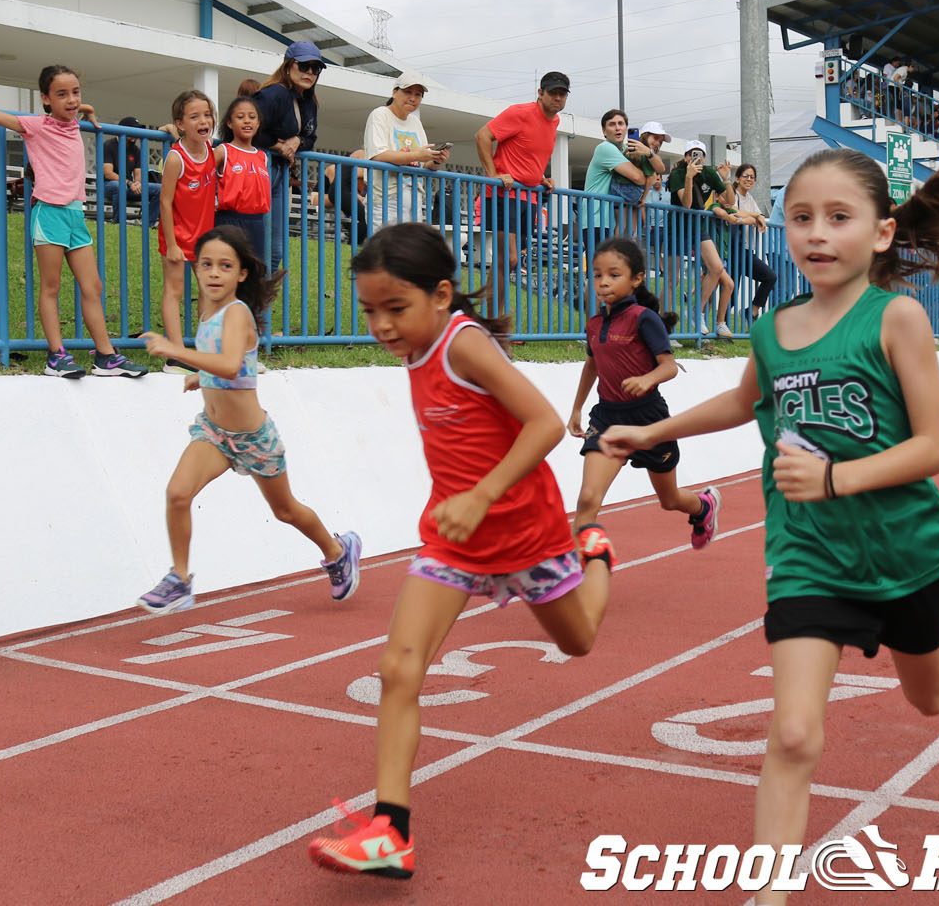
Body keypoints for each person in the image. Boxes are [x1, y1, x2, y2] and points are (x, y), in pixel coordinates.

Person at [599, 151, 939, 906]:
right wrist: (651, 433)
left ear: (881, 234)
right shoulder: (774, 330)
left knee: (930, 699)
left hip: (903, 550)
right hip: (807, 553)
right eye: (801, 218)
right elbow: (744, 403)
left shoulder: (895, 317)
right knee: (797, 734)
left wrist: (837, 476)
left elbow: (934, 445)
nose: (816, 233)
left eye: (839, 218)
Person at [308, 223, 616, 880]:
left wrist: (483, 494)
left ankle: (596, 555)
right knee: (399, 667)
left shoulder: (463, 345)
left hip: (524, 531)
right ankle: (391, 829)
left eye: (395, 308)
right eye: (370, 311)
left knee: (580, 641)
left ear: (442, 294)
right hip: (452, 537)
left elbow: (543, 423)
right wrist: (465, 505)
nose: (382, 326)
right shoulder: (414, 349)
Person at [136, 226, 361, 614]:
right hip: (214, 432)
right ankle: (180, 580)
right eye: (206, 264)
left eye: (225, 266)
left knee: (286, 510)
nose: (214, 273)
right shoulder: (208, 312)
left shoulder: (237, 313)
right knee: (177, 493)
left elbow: (229, 364)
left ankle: (338, 550)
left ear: (241, 274)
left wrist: (177, 351)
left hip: (254, 438)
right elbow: (229, 366)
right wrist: (198, 377)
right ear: (196, 270)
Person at [0, 66, 146, 378]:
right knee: (52, 286)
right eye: (61, 94)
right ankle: (56, 356)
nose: (71, 100)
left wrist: (87, 109)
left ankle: (106, 356)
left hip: (74, 215)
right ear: (45, 98)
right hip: (49, 213)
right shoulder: (36, 126)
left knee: (92, 285)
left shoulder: (73, 123)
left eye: (75, 93)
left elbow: (76, 108)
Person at [566, 236, 718, 545]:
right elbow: (592, 366)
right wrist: (577, 408)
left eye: (613, 274)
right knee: (587, 500)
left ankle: (703, 507)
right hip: (607, 418)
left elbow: (669, 366)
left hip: (648, 418)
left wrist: (648, 379)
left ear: (636, 279)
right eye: (597, 274)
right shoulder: (595, 323)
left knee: (670, 499)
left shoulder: (643, 319)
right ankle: (575, 578)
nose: (603, 282)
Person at [473, 71, 570, 314]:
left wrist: (541, 178)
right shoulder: (520, 112)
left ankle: (490, 320)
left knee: (511, 262)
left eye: (562, 94)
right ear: (540, 93)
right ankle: (493, 322)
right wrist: (493, 174)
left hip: (528, 196)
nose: (557, 98)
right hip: (504, 195)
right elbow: (482, 135)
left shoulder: (555, 122)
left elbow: (527, 155)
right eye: (553, 93)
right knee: (510, 259)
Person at [158, 89, 218, 374]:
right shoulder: (175, 158)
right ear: (181, 123)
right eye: (194, 117)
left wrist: (172, 127)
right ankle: (174, 354)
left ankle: (203, 350)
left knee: (208, 289)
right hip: (178, 236)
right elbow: (165, 203)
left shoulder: (211, 149)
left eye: (207, 115)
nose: (203, 121)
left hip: (204, 237)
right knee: (174, 291)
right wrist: (171, 244)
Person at [252, 41, 324, 274]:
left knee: (275, 252)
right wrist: (277, 145)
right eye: (304, 66)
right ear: (288, 65)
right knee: (258, 249)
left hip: (280, 173)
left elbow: (310, 137)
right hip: (259, 171)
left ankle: (259, 309)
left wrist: (297, 142)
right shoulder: (274, 94)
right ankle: (245, 307)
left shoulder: (310, 101)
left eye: (316, 69)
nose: (310, 73)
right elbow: (249, 130)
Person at [668, 140, 737, 338]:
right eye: (691, 154)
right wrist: (689, 177)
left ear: (705, 158)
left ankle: (696, 312)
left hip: (698, 228)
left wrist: (726, 179)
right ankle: (664, 326)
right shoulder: (679, 174)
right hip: (677, 228)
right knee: (673, 280)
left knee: (716, 268)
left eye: (699, 155)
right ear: (685, 156)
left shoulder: (709, 173)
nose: (695, 158)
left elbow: (730, 201)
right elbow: (687, 204)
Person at [364, 73, 449, 232]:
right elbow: (379, 155)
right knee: (386, 251)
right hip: (385, 197)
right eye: (408, 92)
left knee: (409, 252)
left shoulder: (415, 122)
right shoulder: (380, 114)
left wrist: (436, 159)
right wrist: (417, 156)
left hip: (414, 198)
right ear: (394, 92)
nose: (413, 98)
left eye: (418, 95)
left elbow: (425, 164)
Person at [213, 94, 270, 260]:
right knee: (228, 268)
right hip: (229, 221)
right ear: (230, 123)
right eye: (240, 117)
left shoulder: (263, 156)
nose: (247, 121)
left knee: (254, 272)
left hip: (257, 223)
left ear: (258, 123)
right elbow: (202, 176)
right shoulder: (224, 151)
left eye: (252, 117)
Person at [581, 109, 651, 240]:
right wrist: (648, 175)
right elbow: (639, 178)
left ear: (626, 128)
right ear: (604, 131)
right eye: (612, 124)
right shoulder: (605, 147)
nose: (617, 128)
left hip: (613, 222)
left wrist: (649, 154)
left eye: (621, 123)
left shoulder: (627, 150)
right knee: (600, 261)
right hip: (598, 219)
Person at [730, 164, 778, 320]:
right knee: (731, 291)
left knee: (769, 277)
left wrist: (759, 217)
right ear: (737, 178)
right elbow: (734, 212)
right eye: (745, 176)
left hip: (746, 250)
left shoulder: (749, 198)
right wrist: (754, 217)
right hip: (733, 248)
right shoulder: (733, 194)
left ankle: (751, 311)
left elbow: (758, 214)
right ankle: (721, 327)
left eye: (752, 177)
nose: (749, 179)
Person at [100, 116, 160, 225]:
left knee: (159, 189)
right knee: (119, 186)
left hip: (130, 187)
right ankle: (118, 222)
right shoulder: (109, 145)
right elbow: (108, 173)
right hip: (110, 186)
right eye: (132, 130)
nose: (135, 134)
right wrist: (129, 182)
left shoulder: (136, 150)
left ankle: (148, 224)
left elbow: (138, 174)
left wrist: (137, 183)